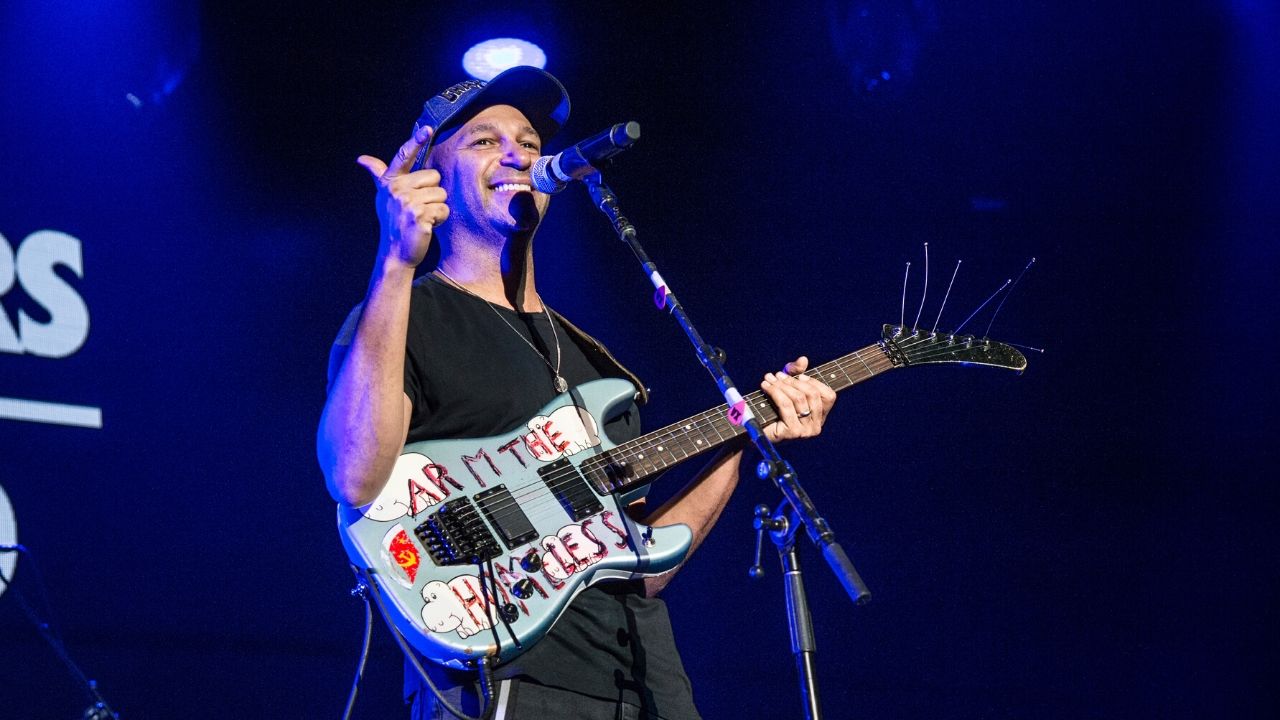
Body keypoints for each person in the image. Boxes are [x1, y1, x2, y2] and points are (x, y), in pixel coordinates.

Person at [317, 66, 837, 720]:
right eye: (484, 141)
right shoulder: (402, 320)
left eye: (529, 142)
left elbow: (640, 567)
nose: (515, 154)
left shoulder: (600, 369)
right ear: (431, 175)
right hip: (502, 689)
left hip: (647, 693)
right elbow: (354, 477)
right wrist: (395, 260)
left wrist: (743, 440)